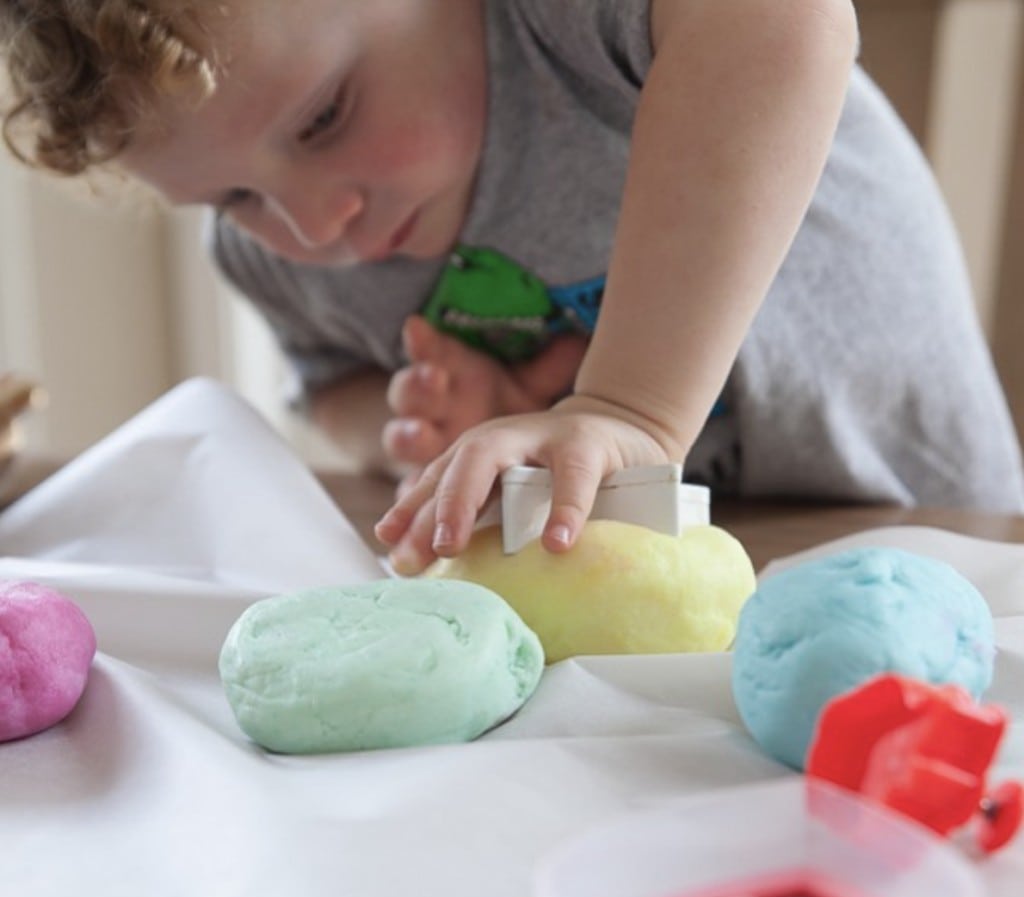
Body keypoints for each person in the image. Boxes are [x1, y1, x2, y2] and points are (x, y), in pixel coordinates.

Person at [2, 0, 1022, 577]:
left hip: (941, 545)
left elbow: (784, 22)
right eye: (231, 196)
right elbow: (334, 388)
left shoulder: (558, 26)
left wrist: (627, 410)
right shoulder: (272, 256)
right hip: (672, 636)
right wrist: (433, 433)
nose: (314, 225)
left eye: (324, 119)